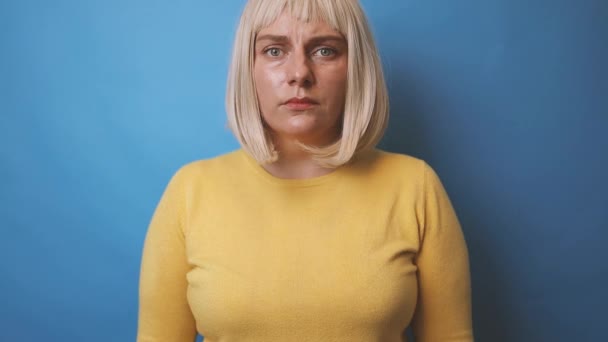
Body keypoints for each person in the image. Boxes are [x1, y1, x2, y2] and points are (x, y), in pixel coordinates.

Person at [137, 0, 473, 341]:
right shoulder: (191, 191)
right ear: (247, 67)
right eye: (274, 50)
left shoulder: (415, 186)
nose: (299, 73)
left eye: (325, 50)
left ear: (355, 66)